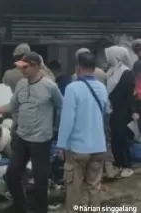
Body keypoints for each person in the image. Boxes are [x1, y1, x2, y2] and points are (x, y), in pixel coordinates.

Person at [0, 52, 62, 213]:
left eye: (25, 67)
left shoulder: (50, 87)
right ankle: (20, 205)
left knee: (40, 181)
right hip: (22, 137)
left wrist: (57, 131)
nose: (22, 71)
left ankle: (40, 209)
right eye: (20, 67)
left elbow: (62, 108)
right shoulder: (21, 84)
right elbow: (12, 106)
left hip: (41, 140)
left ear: (36, 66)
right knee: (12, 174)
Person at [57, 52, 107, 213]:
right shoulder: (102, 88)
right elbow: (104, 113)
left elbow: (67, 120)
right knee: (94, 187)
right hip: (99, 147)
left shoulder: (72, 88)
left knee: (74, 189)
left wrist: (61, 145)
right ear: (94, 68)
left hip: (78, 149)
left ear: (78, 67)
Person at [73, 48, 119, 179]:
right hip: (104, 109)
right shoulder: (101, 73)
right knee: (106, 136)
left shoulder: (75, 77)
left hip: (87, 111)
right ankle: (109, 168)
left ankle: (89, 170)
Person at [106, 45, 136, 178]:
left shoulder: (126, 72)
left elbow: (128, 94)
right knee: (114, 138)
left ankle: (126, 165)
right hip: (113, 111)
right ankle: (118, 163)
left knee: (122, 138)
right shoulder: (111, 71)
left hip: (123, 111)